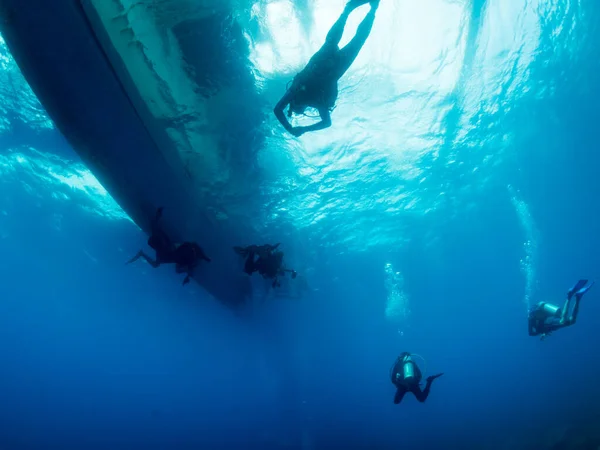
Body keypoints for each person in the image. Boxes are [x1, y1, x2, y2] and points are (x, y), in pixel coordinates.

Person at [274, 0, 379, 136]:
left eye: (295, 107)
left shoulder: (295, 92)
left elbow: (278, 110)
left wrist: (295, 129)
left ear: (293, 105)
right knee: (352, 41)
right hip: (333, 69)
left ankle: (357, 11)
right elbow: (326, 123)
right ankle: (367, 11)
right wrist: (300, 129)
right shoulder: (315, 102)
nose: (299, 106)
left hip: (324, 66)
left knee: (343, 41)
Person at [127, 207, 211, 285]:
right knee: (165, 261)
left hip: (176, 254)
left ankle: (196, 261)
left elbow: (155, 227)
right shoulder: (161, 249)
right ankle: (195, 261)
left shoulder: (162, 245)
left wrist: (157, 215)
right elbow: (155, 227)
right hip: (176, 255)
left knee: (165, 259)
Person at [528, 279, 594, 339]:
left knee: (563, 321)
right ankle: (578, 297)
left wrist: (540, 332)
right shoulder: (536, 320)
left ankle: (570, 295)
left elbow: (531, 333)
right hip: (547, 318)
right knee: (571, 321)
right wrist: (543, 333)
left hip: (546, 322)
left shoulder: (533, 321)